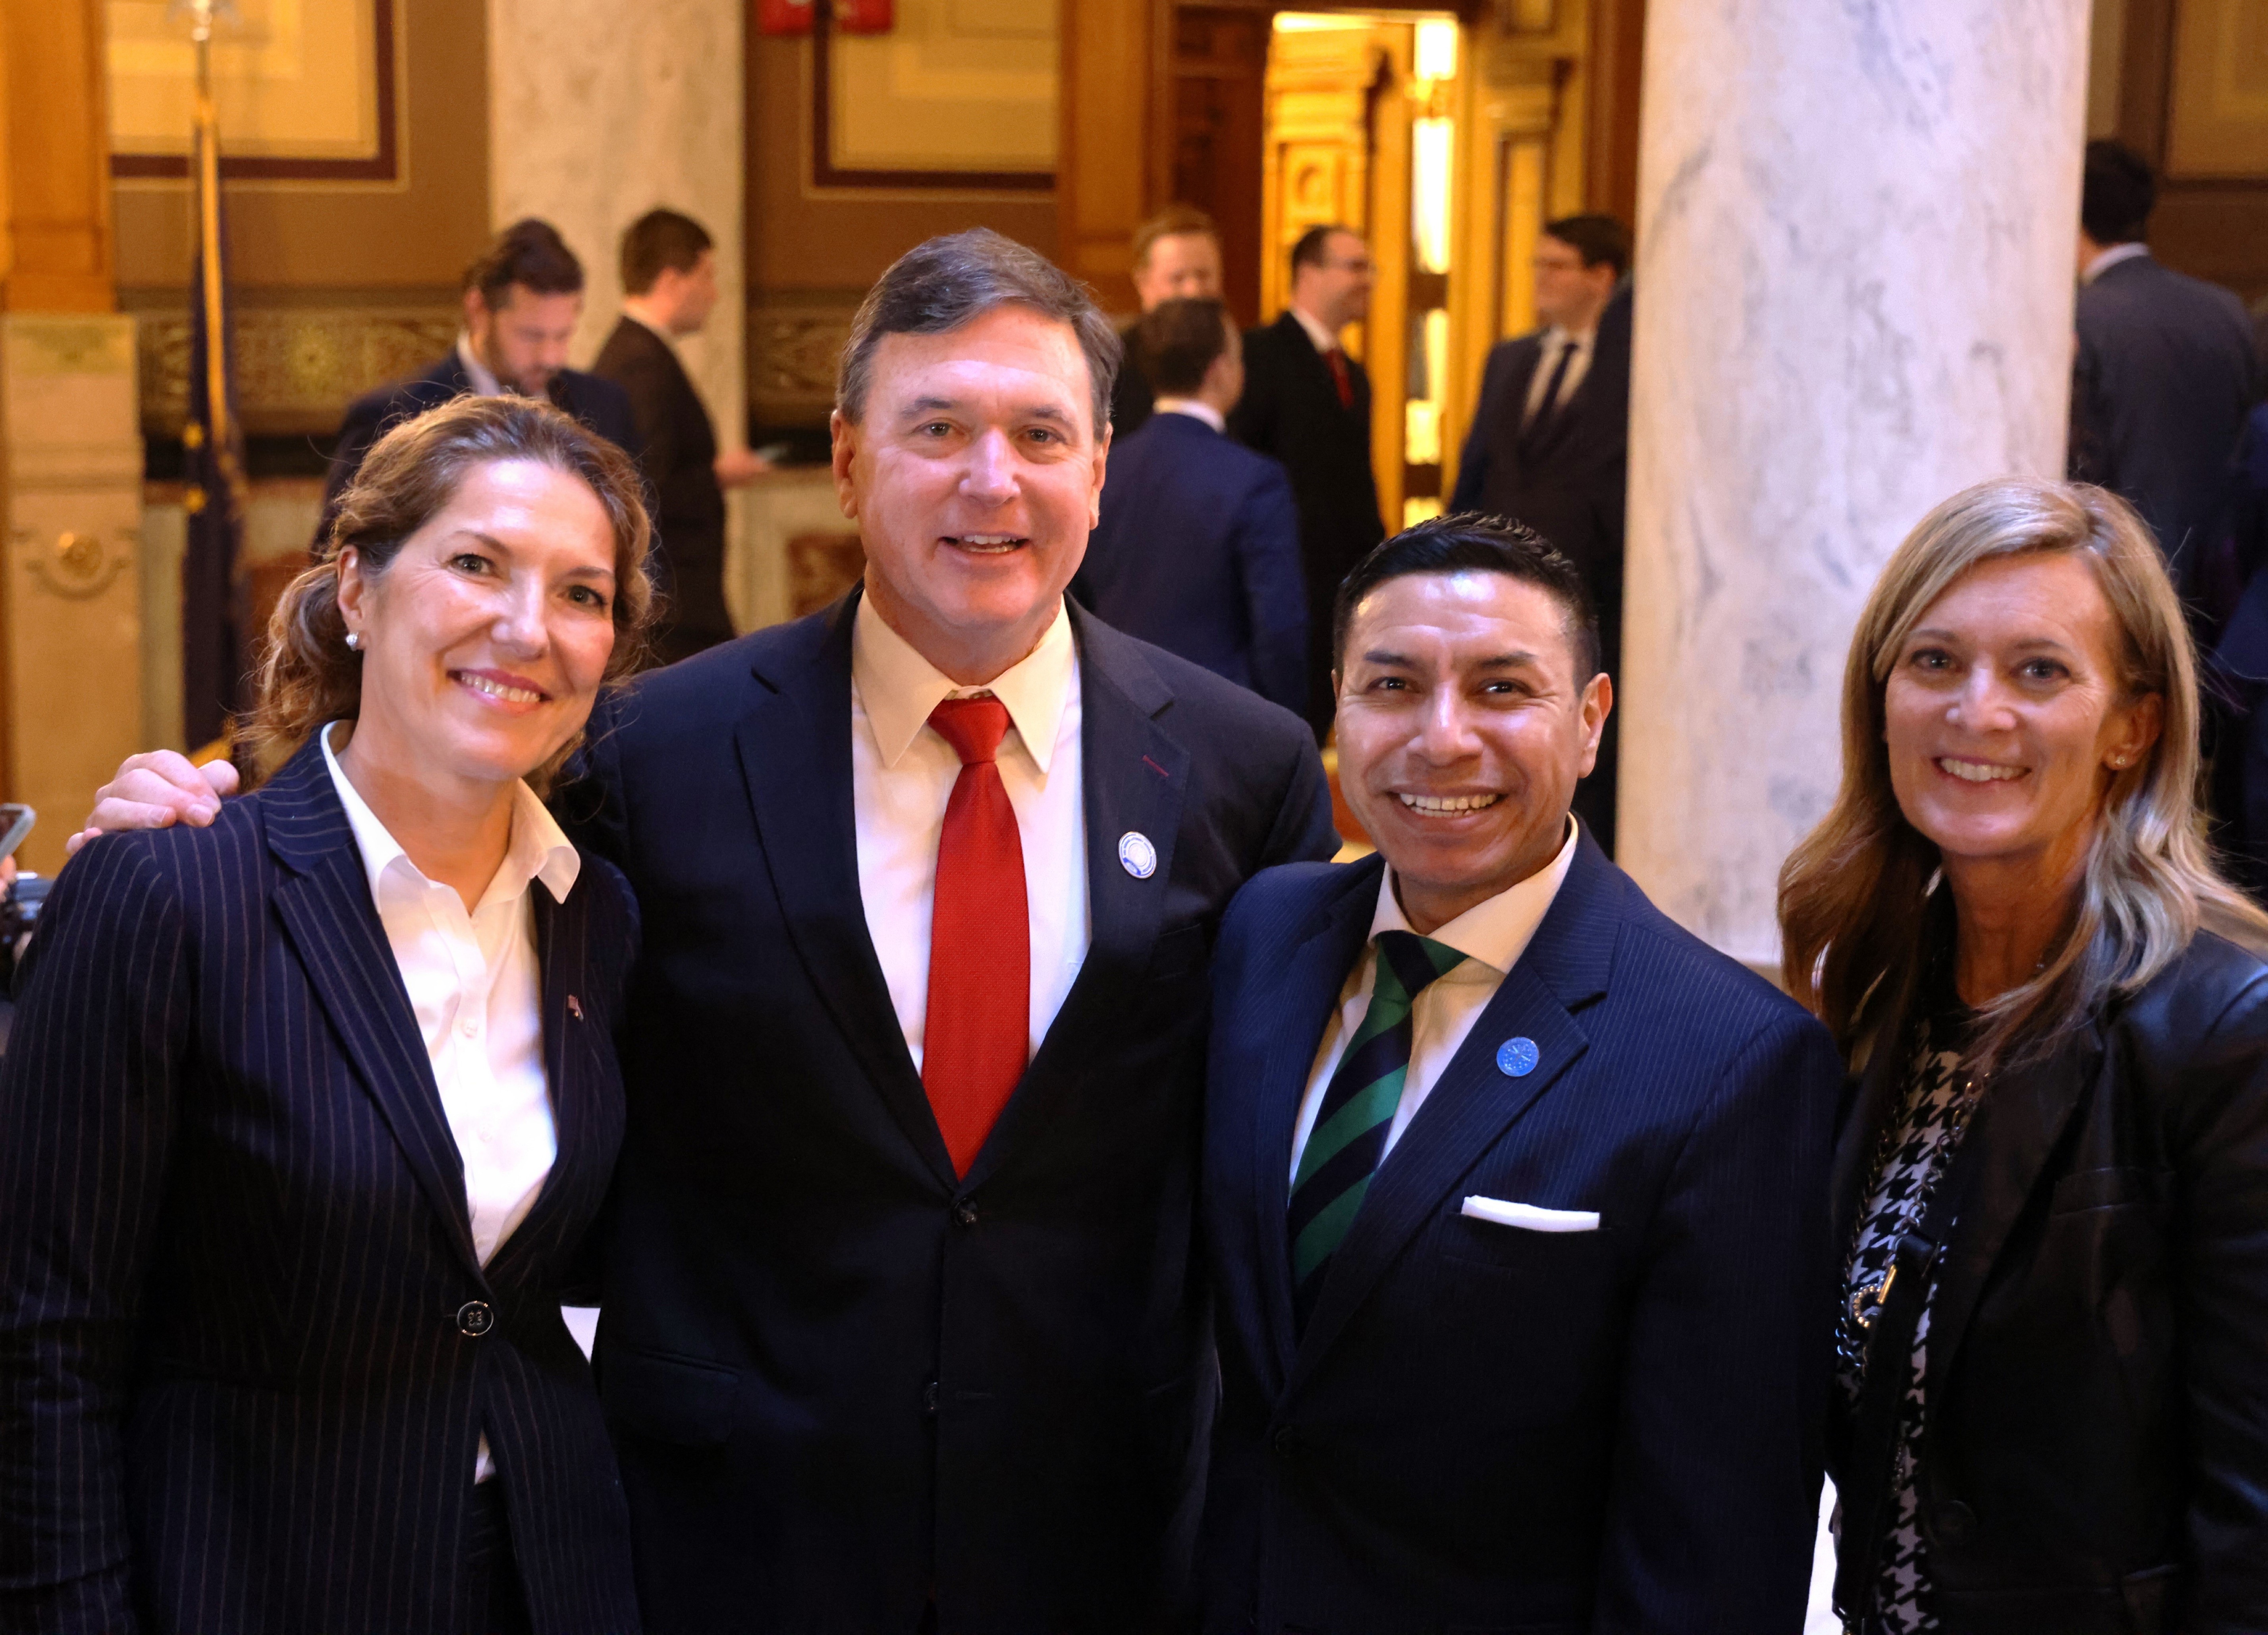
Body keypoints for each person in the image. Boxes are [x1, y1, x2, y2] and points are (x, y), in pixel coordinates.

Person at [79, 229, 1338, 1633]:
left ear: (1099, 467)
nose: (992, 478)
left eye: (1040, 433)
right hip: (726, 1538)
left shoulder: (1247, 771)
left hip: (1097, 1532)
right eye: (936, 428)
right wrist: (210, 829)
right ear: (847, 461)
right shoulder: (647, 753)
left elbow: (1278, 1165)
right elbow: (423, 865)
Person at [2, 396, 656, 1634]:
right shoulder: (172, 891)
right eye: (477, 563)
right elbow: (43, 1346)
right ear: (356, 587)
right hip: (252, 1577)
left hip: (544, 1574)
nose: (529, 627)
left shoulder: (597, 916)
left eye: (582, 592)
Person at [1200, 514, 1842, 1632]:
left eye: (1502, 689)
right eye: (1393, 686)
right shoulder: (1267, 934)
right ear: (1339, 708)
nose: (1442, 738)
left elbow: (1714, 1545)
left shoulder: (1729, 1059)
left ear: (1590, 720)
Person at [1778, 476, 2268, 1630]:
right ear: (1881, 698)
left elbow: (2254, 1519)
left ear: (2132, 727)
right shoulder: (1881, 995)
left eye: (2038, 671)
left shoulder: (2227, 1028)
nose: (1976, 711)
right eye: (1934, 661)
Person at [1450, 213, 1633, 852]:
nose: (1540, 278)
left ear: (1601, 277)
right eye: (1538, 264)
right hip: (1499, 598)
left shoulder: (1635, 367)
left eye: (1556, 266)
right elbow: (1476, 472)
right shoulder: (1511, 359)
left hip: (1594, 602)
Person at [320, 219, 637, 540]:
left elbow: (639, 548)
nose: (551, 358)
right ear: (478, 311)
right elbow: (338, 549)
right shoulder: (392, 415)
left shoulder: (606, 405)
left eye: (563, 336)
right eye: (532, 336)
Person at [1074, 296, 1305, 713]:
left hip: (1116, 705)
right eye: (1238, 357)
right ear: (1220, 370)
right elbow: (1280, 628)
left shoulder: (1104, 470)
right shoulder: (1254, 480)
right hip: (1223, 713)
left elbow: (1075, 599)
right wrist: (1282, 721)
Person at [2069, 140, 2257, 592]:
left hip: (2115, 571)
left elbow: (2079, 461)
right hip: (2220, 577)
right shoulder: (2228, 311)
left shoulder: (2077, 319)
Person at [592, 207, 771, 666]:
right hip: (671, 613)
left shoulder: (638, 352)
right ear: (673, 280)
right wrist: (715, 476)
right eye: (706, 276)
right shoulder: (641, 362)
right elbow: (643, 487)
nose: (714, 294)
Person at [1232, 224, 1386, 742]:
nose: (1368, 280)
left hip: (1337, 597)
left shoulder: (1354, 374)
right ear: (1308, 273)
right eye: (1355, 267)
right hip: (1279, 590)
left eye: (1370, 268)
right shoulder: (1259, 356)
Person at [1111, 203, 1225, 438]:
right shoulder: (1113, 366)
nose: (1193, 291)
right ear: (1143, 284)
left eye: (1204, 275)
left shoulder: (1240, 358)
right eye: (1178, 278)